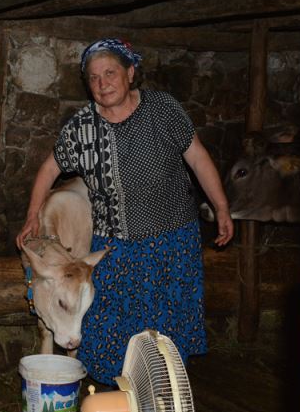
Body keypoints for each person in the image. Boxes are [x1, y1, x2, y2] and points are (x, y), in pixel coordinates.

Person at [16, 38, 233, 385]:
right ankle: (116, 403)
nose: (102, 83)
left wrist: (221, 206)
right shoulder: (81, 127)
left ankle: (160, 401)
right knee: (107, 330)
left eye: (110, 73)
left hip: (170, 243)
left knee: (166, 329)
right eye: (94, 77)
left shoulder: (163, 110)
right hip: (114, 247)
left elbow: (198, 158)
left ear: (131, 73)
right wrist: (32, 215)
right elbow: (49, 169)